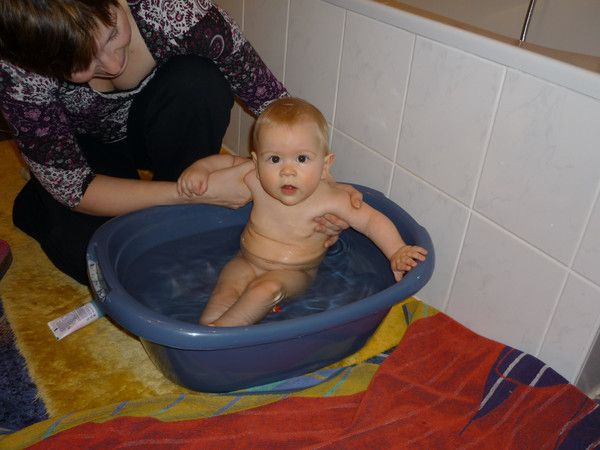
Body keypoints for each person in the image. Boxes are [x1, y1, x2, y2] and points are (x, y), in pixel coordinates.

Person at [0, 0, 359, 285]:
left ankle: (175, 214)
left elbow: (274, 103)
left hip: (160, 133)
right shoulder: (18, 72)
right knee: (101, 263)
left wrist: (320, 190)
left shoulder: (174, 10)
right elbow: (76, 189)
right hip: (87, 152)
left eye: (112, 34)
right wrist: (193, 194)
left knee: (200, 83)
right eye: (81, 63)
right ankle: (38, 198)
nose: (112, 63)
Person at [190, 98, 428, 327]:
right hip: (246, 260)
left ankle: (222, 335)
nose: (288, 171)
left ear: (325, 166)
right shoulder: (256, 180)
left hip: (295, 272)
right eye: (275, 159)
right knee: (225, 291)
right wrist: (201, 168)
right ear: (257, 162)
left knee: (266, 290)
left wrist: (397, 250)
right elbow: (231, 162)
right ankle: (207, 330)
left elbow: (371, 221)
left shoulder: (330, 198)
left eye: (302, 158)